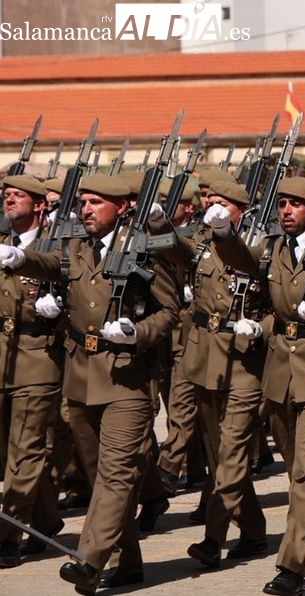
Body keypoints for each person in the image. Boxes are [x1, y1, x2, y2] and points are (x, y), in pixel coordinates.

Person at [0, 174, 180, 594]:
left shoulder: (145, 249)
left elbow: (170, 309)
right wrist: (19, 259)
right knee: (102, 476)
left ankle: (89, 559)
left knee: (117, 475)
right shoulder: (78, 246)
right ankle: (127, 562)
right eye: (84, 202)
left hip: (126, 378)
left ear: (122, 206)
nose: (86, 210)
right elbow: (54, 265)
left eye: (96, 203)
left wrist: (138, 333)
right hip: (81, 376)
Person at [207, 176, 305, 595]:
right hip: (280, 376)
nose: (285, 210)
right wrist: (224, 236)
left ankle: (291, 566)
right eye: (282, 203)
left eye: (295, 204)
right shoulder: (275, 247)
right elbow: (245, 266)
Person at [173, 181, 270, 568]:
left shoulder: (262, 242)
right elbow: (176, 255)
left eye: (221, 203)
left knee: (231, 453)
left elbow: (264, 283)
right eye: (209, 202)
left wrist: (260, 325)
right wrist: (162, 226)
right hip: (205, 359)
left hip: (245, 359)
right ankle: (255, 530)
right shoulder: (199, 239)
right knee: (220, 456)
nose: (211, 208)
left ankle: (213, 538)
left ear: (240, 210)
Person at [0, 175, 64, 568]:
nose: (8, 199)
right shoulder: (2, 243)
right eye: (5, 195)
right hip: (1, 354)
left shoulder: (56, 246)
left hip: (38, 356)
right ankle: (46, 518)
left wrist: (56, 306)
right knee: (10, 449)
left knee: (24, 451)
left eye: (17, 195)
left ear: (39, 205)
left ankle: (7, 533)